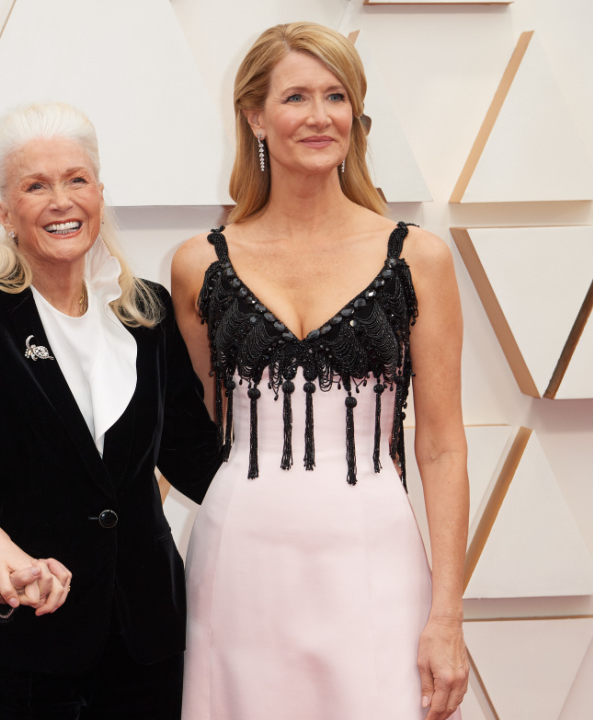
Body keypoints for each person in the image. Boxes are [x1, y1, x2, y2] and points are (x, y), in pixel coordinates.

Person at [0, 102, 223, 719]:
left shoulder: (147, 311)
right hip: (12, 646)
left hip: (146, 639)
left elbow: (195, 459)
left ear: (99, 191)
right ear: (4, 212)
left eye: (76, 180)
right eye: (36, 186)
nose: (61, 200)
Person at [170, 22, 470, 720]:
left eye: (336, 96)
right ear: (255, 116)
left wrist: (447, 614)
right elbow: (209, 422)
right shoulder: (198, 264)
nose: (318, 116)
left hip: (375, 550)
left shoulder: (417, 257)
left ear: (356, 117)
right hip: (239, 555)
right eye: (296, 96)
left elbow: (443, 444)